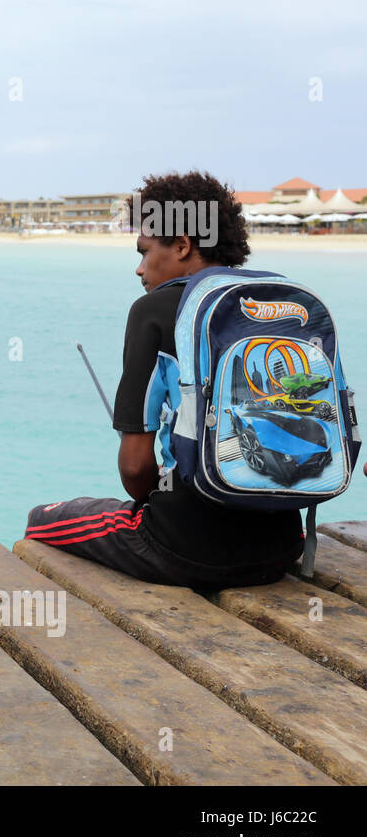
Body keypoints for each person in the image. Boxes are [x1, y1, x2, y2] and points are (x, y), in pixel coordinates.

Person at [25, 170, 303, 589]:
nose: (139, 270)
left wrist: (160, 497)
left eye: (143, 252)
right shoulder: (278, 299)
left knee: (42, 522)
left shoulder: (154, 310)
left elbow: (135, 468)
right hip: (282, 546)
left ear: (182, 245)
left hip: (183, 550)